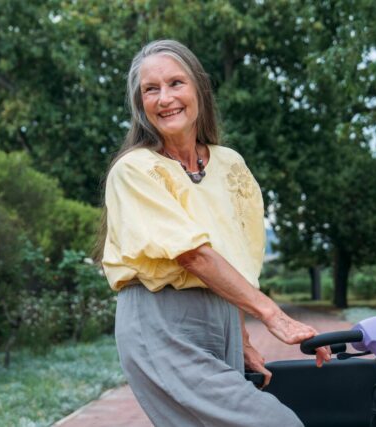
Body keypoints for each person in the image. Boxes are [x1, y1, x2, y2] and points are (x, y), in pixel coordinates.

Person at [98, 39, 331, 427]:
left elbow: (233, 256)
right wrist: (273, 315)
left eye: (176, 83)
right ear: (140, 105)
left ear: (199, 90)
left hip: (220, 317)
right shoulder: (134, 170)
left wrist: (242, 337)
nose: (165, 98)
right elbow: (192, 255)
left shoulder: (229, 164)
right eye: (150, 89)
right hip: (161, 321)